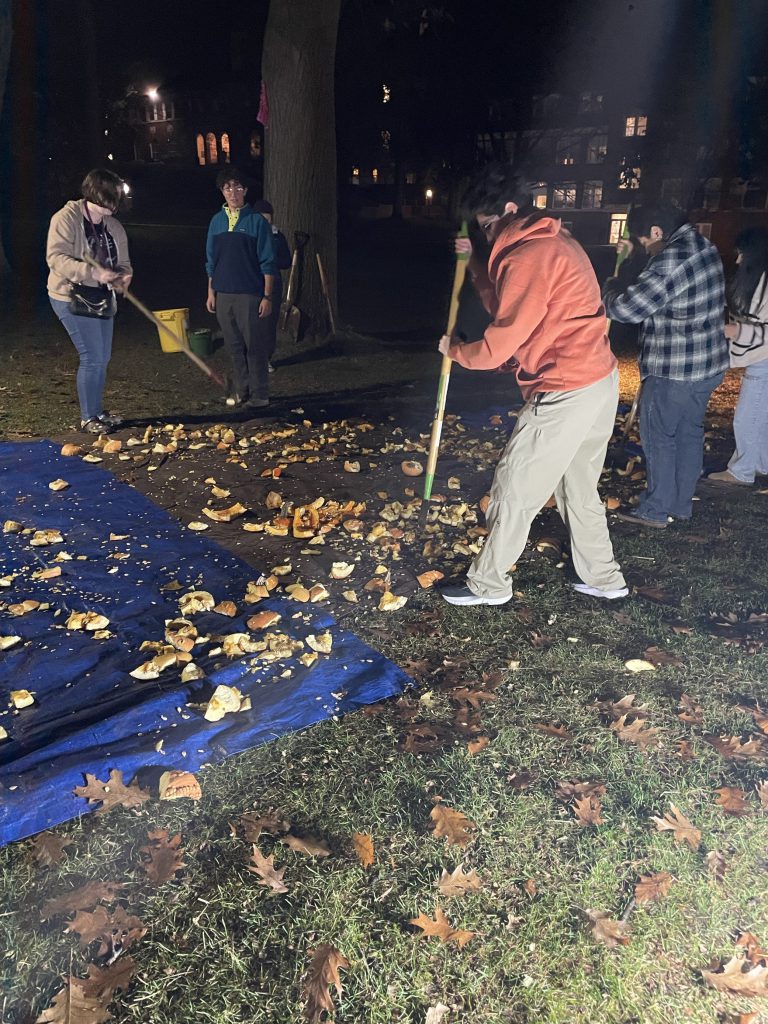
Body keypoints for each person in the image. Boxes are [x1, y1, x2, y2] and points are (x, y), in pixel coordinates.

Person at [437, 163, 627, 606]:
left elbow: (500, 343)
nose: (487, 235)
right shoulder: (551, 242)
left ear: (507, 210)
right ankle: (603, 577)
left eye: (487, 225)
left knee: (514, 485)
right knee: (576, 487)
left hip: (566, 387)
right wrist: (479, 269)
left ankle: (487, 585)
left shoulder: (528, 255)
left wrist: (456, 351)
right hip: (597, 380)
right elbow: (514, 310)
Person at [603, 203, 728, 528]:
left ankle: (656, 509)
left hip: (675, 369)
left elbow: (629, 308)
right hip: (708, 364)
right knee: (689, 434)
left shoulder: (671, 259)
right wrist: (636, 256)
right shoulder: (702, 245)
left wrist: (608, 292)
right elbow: (660, 287)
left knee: (660, 437)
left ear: (657, 231)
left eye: (645, 241)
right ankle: (680, 505)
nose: (646, 248)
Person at [46, 168, 132, 434]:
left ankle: (97, 412)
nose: (114, 207)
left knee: (102, 357)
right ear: (98, 195)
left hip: (102, 298)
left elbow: (124, 263)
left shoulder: (113, 226)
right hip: (69, 295)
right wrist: (91, 271)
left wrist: (123, 277)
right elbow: (56, 258)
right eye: (111, 200)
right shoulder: (66, 218)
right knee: (92, 356)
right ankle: (88, 417)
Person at [205, 168, 277, 408]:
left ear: (245, 190)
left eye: (237, 187)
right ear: (222, 191)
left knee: (254, 346)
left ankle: (260, 394)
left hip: (250, 294)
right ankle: (241, 391)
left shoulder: (256, 222)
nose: (232, 192)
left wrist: (266, 296)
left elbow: (267, 260)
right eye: (227, 188)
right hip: (224, 293)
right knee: (233, 345)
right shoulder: (216, 222)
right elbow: (211, 260)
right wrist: (211, 291)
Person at [708, 226, 768, 485]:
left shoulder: (764, 285)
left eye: (742, 254)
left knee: (748, 416)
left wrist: (736, 330)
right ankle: (759, 464)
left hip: (763, 360)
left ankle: (741, 471)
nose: (738, 260)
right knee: (760, 416)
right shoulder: (759, 282)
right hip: (760, 358)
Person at [251, 199, 292, 372]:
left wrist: (271, 259)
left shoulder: (278, 237)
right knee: (252, 323)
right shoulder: (248, 236)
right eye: (262, 220)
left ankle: (266, 358)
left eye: (268, 220)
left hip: (273, 286)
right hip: (252, 285)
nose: (266, 224)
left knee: (268, 324)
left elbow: (286, 261)